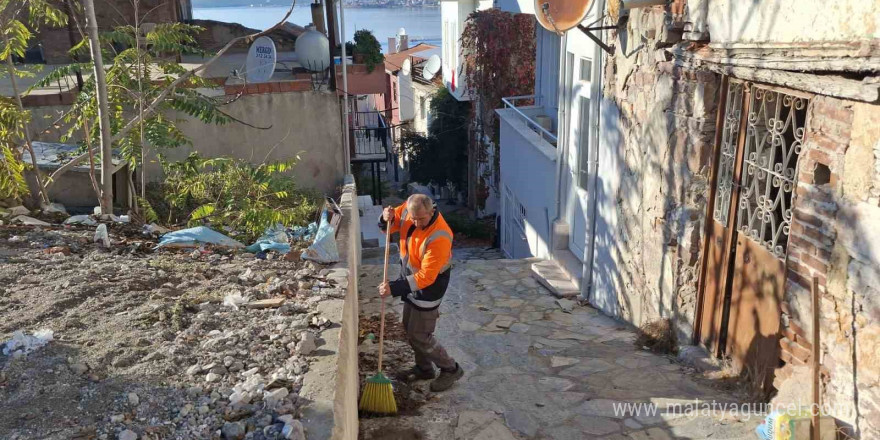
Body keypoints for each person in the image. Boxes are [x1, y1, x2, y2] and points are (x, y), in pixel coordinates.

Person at [377, 194, 463, 392]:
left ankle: (450, 368)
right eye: (413, 218)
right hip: (410, 281)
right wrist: (385, 217)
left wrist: (394, 287)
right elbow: (391, 227)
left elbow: (426, 277)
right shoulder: (409, 210)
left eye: (421, 219)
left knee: (420, 334)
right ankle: (424, 369)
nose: (415, 222)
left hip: (429, 287)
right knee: (409, 327)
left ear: (432, 211)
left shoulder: (440, 235)